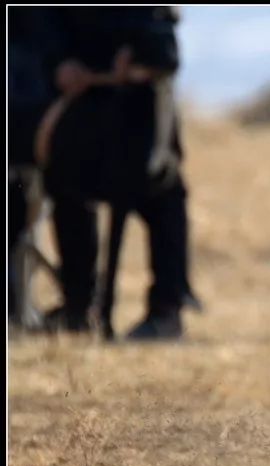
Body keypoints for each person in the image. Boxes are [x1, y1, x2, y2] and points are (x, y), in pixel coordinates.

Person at [11, 6, 198, 339]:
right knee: (64, 184)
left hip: (140, 102)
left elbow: (163, 44)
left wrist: (140, 52)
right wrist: (60, 61)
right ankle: (78, 306)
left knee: (163, 191)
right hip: (70, 93)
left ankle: (166, 309)